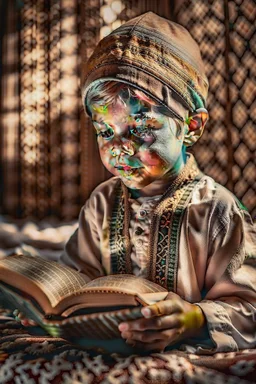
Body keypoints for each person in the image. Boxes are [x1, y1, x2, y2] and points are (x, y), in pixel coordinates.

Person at [60, 11, 256, 353]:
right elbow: (77, 277)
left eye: (139, 128)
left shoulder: (217, 211)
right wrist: (52, 309)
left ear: (192, 127)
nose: (119, 147)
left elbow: (248, 307)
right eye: (105, 131)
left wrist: (193, 320)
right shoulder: (102, 203)